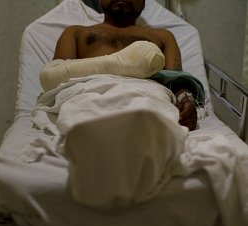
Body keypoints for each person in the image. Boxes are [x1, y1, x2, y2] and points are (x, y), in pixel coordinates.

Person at [52, 0, 197, 130]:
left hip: (146, 96)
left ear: (144, 3)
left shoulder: (163, 36)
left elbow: (177, 79)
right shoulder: (75, 33)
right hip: (88, 94)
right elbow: (56, 78)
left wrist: (186, 98)